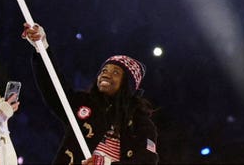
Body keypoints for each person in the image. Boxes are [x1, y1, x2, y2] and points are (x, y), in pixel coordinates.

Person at [23, 23, 158, 164]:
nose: (106, 75)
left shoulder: (141, 124)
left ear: (128, 85)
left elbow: (147, 160)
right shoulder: (84, 104)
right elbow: (54, 89)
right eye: (104, 71)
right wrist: (42, 48)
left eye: (116, 72)